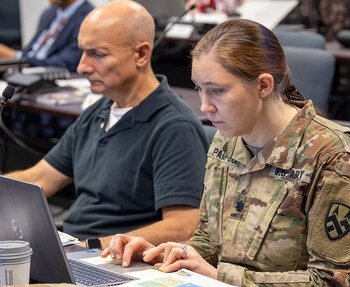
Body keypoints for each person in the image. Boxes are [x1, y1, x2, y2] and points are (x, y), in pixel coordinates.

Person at [0, 0, 208, 249]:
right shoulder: (100, 110)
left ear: (141, 54)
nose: (82, 67)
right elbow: (40, 178)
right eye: (82, 52)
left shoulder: (173, 126)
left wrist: (93, 247)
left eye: (97, 54)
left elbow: (182, 227)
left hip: (110, 260)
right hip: (77, 246)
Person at [103, 19, 350, 286]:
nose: (205, 106)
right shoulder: (227, 139)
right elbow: (209, 240)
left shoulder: (333, 157)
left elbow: (332, 280)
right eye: (199, 89)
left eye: (217, 91)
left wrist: (219, 276)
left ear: (263, 85)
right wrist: (166, 252)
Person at [0, 0, 94, 72]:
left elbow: (67, 62)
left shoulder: (90, 17)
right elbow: (31, 51)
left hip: (49, 77)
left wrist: (15, 57)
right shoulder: (48, 13)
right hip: (24, 70)